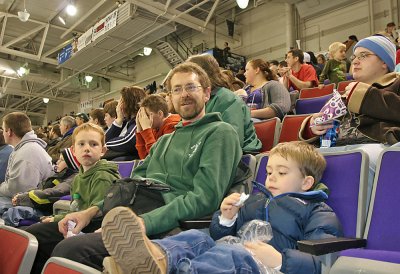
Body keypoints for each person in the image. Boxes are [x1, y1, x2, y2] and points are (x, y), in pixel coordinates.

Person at [45, 62, 242, 272]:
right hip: (130, 214)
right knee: (45, 234)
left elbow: (205, 198)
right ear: (171, 98)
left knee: (69, 250)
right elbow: (132, 184)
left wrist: (143, 223)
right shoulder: (166, 141)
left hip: (162, 223)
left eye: (191, 87)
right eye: (177, 89)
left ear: (206, 93)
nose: (184, 94)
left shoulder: (221, 133)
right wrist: (90, 212)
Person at [101, 141, 342, 274]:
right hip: (233, 257)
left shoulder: (317, 211)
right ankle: (154, 258)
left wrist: (280, 260)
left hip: (267, 267)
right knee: (198, 238)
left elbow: (320, 261)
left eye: (281, 173)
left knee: (232, 254)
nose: (271, 179)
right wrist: (226, 218)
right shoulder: (255, 199)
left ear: (306, 182)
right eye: (269, 172)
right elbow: (222, 236)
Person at [299, 35, 399, 203]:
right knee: (288, 159)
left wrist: (364, 96)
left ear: (384, 63)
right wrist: (313, 126)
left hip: (376, 146)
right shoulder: (343, 94)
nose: (355, 61)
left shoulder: (396, 83)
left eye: (364, 55)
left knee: (360, 159)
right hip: (336, 146)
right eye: (354, 57)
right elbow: (323, 120)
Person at [25, 123, 120, 274]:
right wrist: (56, 217)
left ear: (103, 151)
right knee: (32, 232)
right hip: (77, 223)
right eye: (81, 144)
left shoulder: (103, 176)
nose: (87, 148)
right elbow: (75, 208)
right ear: (74, 151)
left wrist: (59, 220)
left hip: (92, 227)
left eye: (93, 144)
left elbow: (97, 213)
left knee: (36, 236)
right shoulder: (78, 177)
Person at [187, 54, 261, 153]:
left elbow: (231, 143)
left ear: (203, 75)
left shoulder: (228, 100)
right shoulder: (198, 101)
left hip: (239, 157)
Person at [2, 148, 80, 226]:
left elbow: (53, 194)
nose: (57, 162)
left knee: (13, 212)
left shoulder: (72, 180)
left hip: (47, 211)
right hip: (37, 206)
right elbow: (41, 188)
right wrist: (22, 194)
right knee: (2, 205)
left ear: (71, 163)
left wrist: (22, 198)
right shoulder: (60, 174)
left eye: (61, 160)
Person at [0, 112, 54, 214]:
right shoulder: (26, 148)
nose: (2, 133)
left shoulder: (26, 154)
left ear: (9, 132)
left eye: (3, 130)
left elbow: (16, 191)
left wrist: (1, 186)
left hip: (32, 206)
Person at [104, 86, 146, 160]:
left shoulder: (140, 117)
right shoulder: (127, 120)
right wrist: (119, 120)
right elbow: (105, 139)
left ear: (128, 103)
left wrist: (105, 145)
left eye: (121, 101)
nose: (119, 105)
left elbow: (128, 142)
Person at [135, 94, 180, 159]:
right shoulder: (156, 126)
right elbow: (144, 158)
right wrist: (139, 129)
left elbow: (157, 159)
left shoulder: (173, 126)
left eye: (147, 115)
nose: (144, 120)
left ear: (160, 114)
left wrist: (147, 130)